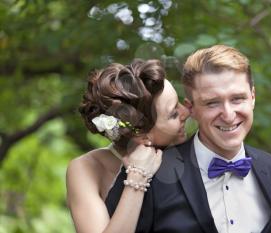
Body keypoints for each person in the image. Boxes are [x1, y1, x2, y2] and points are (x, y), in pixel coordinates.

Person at [106, 45, 271, 233]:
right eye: (212, 103)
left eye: (237, 98)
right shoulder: (148, 174)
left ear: (253, 97)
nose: (229, 115)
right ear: (191, 108)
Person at [66, 59, 189, 233]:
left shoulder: (188, 158)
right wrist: (137, 177)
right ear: (141, 135)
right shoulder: (87, 169)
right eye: (174, 113)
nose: (187, 112)